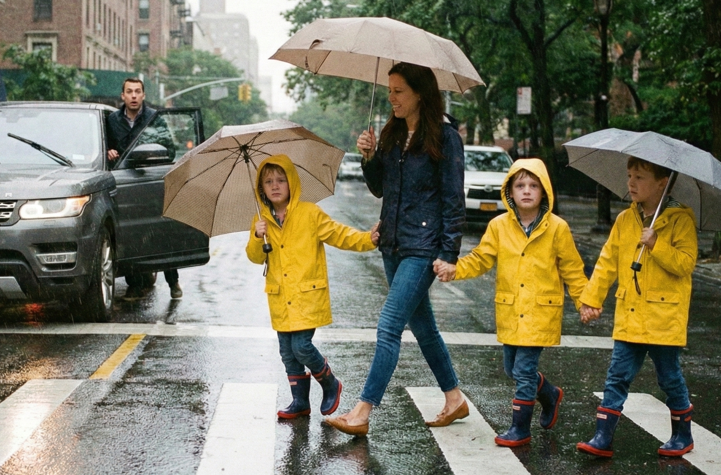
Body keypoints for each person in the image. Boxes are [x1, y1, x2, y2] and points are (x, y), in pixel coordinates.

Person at [325, 61, 468, 436]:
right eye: (388, 91)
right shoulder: (391, 133)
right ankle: (454, 398)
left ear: (420, 93)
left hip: (423, 247)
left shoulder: (445, 136)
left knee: (389, 326)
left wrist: (449, 253)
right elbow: (379, 189)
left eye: (399, 91)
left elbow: (454, 200)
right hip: (392, 243)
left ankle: (362, 411)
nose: (392, 98)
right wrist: (369, 156)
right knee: (424, 328)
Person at [435, 158, 588, 447]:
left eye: (533, 185)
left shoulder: (557, 228)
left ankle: (520, 428)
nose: (527, 191)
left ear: (544, 192)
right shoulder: (498, 226)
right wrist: (455, 269)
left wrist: (585, 302)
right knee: (511, 369)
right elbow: (481, 258)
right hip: (510, 310)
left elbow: (572, 269)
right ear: (510, 191)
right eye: (520, 185)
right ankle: (550, 394)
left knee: (523, 371)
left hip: (540, 310)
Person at [576, 157, 698, 458]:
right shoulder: (624, 220)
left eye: (640, 177)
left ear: (662, 183)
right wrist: (592, 298)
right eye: (630, 175)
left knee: (669, 377)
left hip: (663, 318)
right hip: (630, 313)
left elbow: (685, 264)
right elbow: (607, 262)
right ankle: (602, 437)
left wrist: (657, 244)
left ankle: (683, 435)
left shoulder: (680, 219)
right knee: (617, 375)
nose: (631, 183)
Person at [246, 155, 378, 419]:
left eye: (281, 180)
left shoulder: (310, 213)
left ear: (292, 183)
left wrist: (368, 239)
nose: (275, 186)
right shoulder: (261, 221)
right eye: (268, 181)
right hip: (281, 299)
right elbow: (255, 257)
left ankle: (330, 383)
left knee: (302, 347)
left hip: (307, 295)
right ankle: (300, 402)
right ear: (261, 187)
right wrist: (256, 236)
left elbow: (339, 234)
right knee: (287, 352)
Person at [105, 77, 182, 298]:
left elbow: (169, 149)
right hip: (126, 184)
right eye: (129, 92)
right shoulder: (112, 120)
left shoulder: (154, 119)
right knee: (133, 232)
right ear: (123, 96)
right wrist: (111, 152)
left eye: (138, 91)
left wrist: (151, 155)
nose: (134, 96)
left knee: (161, 232)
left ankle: (173, 282)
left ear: (144, 95)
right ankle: (136, 284)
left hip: (151, 182)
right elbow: (106, 147)